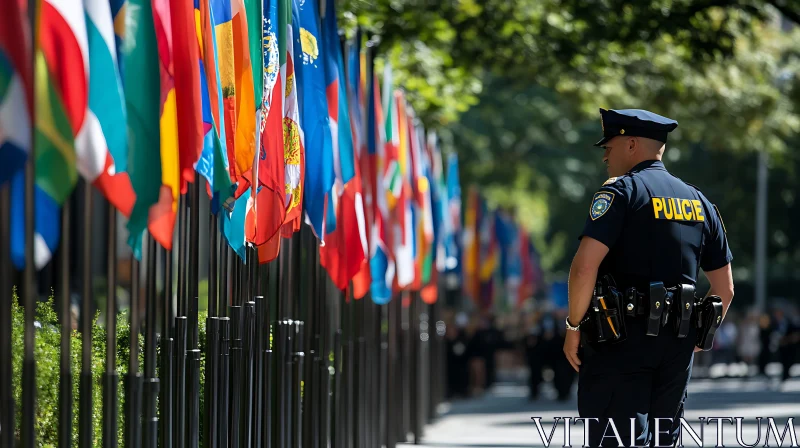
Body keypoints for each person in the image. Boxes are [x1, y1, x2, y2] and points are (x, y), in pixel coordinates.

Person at [562, 109, 735, 447]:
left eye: (608, 148)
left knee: (617, 439)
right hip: (677, 344)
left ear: (631, 144)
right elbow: (724, 289)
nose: (605, 157)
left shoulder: (620, 193)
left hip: (620, 341)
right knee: (663, 439)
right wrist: (698, 338)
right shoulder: (700, 202)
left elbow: (584, 268)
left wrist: (573, 327)